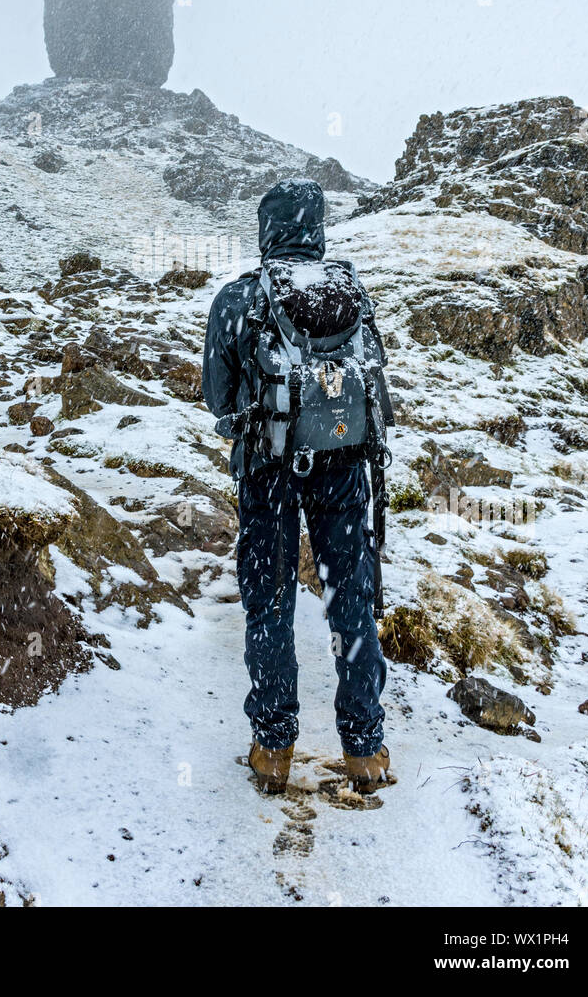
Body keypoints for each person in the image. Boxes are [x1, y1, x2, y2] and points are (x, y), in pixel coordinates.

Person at [202, 177, 396, 795]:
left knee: (271, 603)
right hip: (344, 467)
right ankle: (365, 751)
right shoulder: (349, 294)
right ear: (316, 229)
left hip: (268, 469)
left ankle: (274, 746)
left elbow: (217, 396)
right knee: (352, 599)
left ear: (267, 230)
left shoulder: (240, 300)